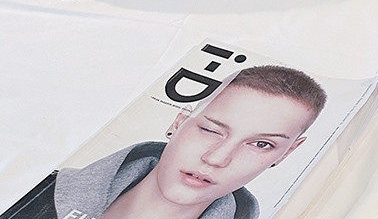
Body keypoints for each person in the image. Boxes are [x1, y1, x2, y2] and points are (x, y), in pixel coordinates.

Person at [48, 65, 327, 219]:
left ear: (286, 154)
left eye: (261, 144)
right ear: (178, 123)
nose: (216, 159)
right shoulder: (39, 188)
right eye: (210, 130)